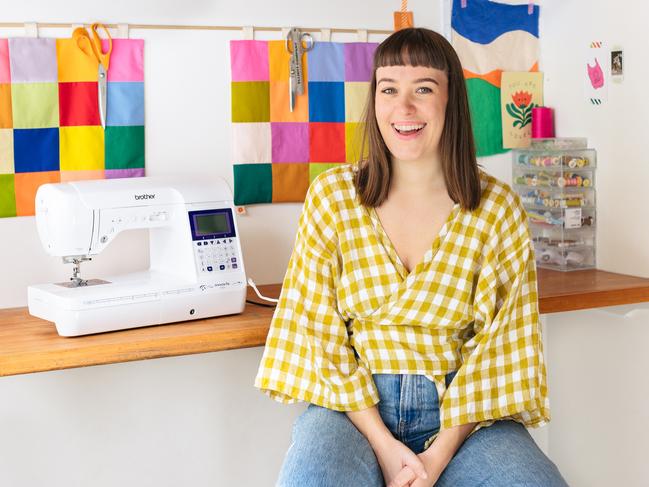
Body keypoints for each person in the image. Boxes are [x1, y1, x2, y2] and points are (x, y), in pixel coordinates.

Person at [254, 27, 568, 487]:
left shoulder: (497, 209)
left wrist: (437, 456)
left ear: (450, 101)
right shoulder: (332, 198)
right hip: (353, 410)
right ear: (375, 101)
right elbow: (318, 332)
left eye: (423, 89)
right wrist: (384, 444)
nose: (404, 108)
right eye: (389, 90)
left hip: (464, 415)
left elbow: (502, 345)